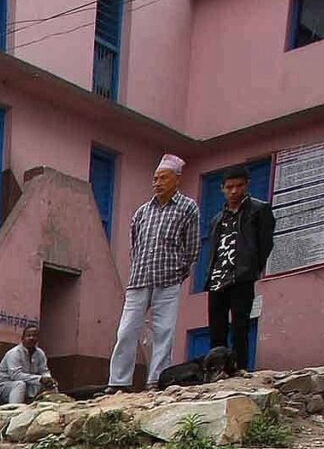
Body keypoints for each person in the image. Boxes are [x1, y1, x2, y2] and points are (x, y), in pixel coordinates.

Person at [110, 154, 203, 389]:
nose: (157, 183)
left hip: (168, 280)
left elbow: (192, 248)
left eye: (163, 178)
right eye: (155, 178)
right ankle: (119, 382)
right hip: (139, 280)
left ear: (177, 180)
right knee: (126, 331)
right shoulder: (142, 212)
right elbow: (135, 247)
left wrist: (177, 273)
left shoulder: (188, 208)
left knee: (164, 332)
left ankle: (156, 380)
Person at [205, 165, 275, 375]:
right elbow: (213, 248)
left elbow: (265, 244)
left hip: (242, 277)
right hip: (218, 278)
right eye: (229, 187)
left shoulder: (259, 209)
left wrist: (252, 268)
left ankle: (240, 369)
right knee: (217, 328)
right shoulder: (217, 219)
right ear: (222, 189)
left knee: (240, 326)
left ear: (246, 186)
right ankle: (217, 370)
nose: (234, 191)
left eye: (239, 186)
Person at [0, 324, 55, 404]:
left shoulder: (40, 353)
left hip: (28, 387)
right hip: (3, 387)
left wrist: (48, 379)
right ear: (22, 338)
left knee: (51, 385)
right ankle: (15, 410)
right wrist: (40, 379)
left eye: (34, 336)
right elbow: (15, 375)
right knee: (20, 384)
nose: (31, 338)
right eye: (28, 335)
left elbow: (44, 370)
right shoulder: (14, 353)